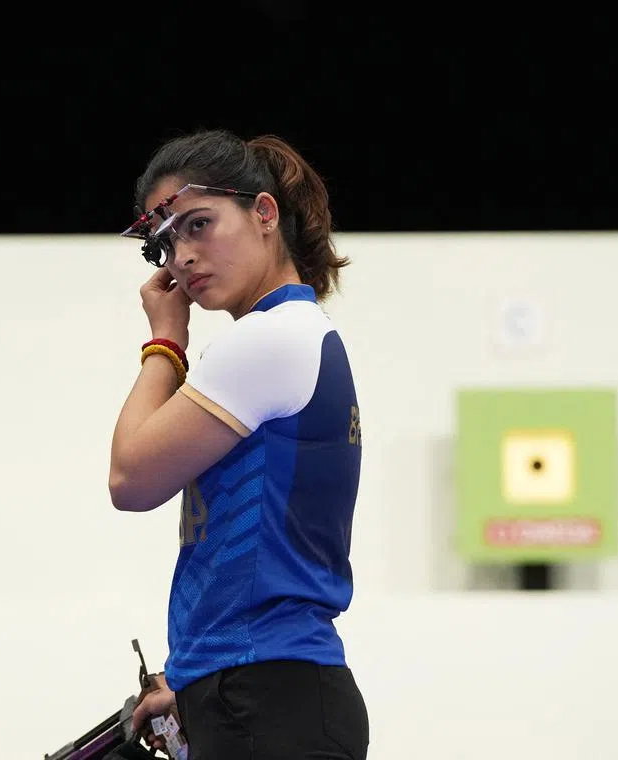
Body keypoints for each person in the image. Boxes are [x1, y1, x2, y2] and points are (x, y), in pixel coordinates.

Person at [108, 128, 369, 760]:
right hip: (263, 692)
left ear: (264, 213)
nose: (182, 257)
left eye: (199, 225)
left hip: (271, 699)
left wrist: (165, 341)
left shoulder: (272, 337)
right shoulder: (289, 336)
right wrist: (196, 678)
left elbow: (131, 479)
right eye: (164, 244)